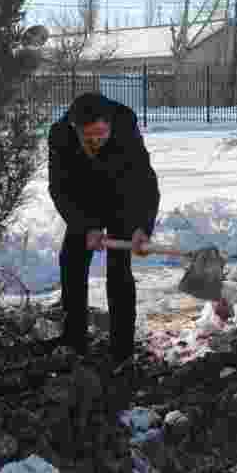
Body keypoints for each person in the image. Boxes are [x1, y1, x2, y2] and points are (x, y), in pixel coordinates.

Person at [47, 92, 160, 370]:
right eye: (89, 137)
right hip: (83, 201)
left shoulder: (125, 123)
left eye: (102, 134)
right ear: (76, 129)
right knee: (71, 264)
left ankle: (122, 351)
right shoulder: (60, 134)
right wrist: (86, 227)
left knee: (119, 270)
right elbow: (59, 188)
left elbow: (145, 181)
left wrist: (141, 228)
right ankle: (75, 342)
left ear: (110, 124)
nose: (97, 141)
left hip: (120, 198)